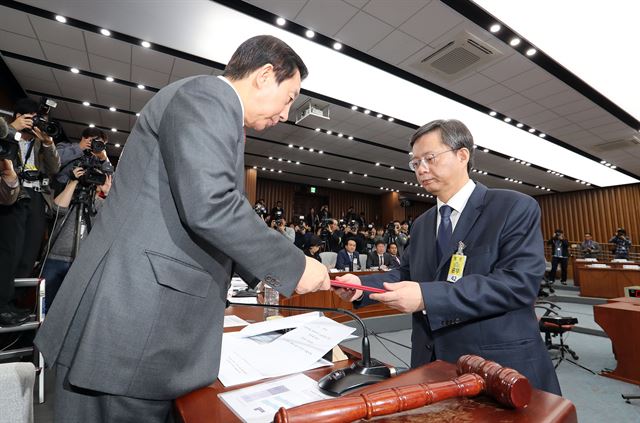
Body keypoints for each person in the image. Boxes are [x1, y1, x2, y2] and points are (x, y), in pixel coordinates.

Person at [34, 35, 330, 422]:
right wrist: (296, 266)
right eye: (289, 97)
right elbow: (211, 205)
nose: (287, 114)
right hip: (132, 323)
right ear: (263, 75)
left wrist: (262, 271)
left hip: (137, 323)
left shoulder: (210, 105)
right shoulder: (210, 96)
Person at [334, 119, 561, 395]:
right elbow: (406, 275)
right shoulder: (421, 224)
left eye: (429, 158)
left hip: (497, 364)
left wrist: (427, 297)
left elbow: (517, 284)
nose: (421, 169)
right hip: (432, 363)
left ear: (462, 155)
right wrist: (359, 287)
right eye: (415, 163)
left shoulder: (513, 207)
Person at [0, 99, 60, 326]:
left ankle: (12, 302)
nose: (35, 123)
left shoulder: (39, 143)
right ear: (18, 115)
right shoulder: (7, 133)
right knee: (9, 251)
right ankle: (1, 304)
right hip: (13, 195)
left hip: (36, 198)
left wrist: (48, 143)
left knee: (28, 255)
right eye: (31, 118)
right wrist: (13, 127)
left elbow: (54, 169)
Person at [41, 168, 112, 312]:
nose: (91, 178)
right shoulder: (72, 197)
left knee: (67, 310)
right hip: (55, 258)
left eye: (95, 176)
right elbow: (57, 208)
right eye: (88, 175)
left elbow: (113, 221)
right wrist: (74, 181)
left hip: (81, 263)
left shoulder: (100, 205)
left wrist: (108, 193)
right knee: (43, 308)